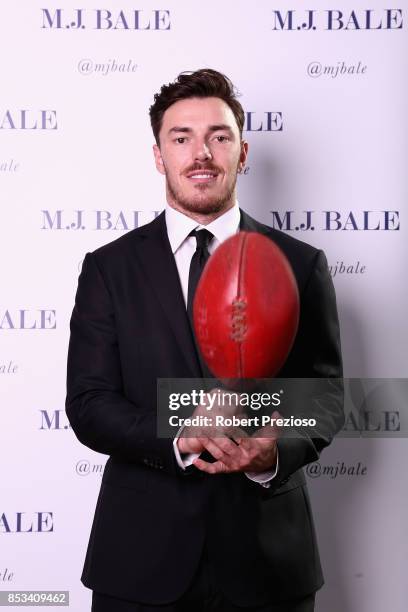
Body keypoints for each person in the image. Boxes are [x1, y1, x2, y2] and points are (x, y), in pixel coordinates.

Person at [65, 68, 343, 612]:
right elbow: (89, 404)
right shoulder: (108, 269)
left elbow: (326, 398)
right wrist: (182, 433)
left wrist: (272, 451)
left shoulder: (300, 264)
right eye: (181, 137)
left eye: (219, 136)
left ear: (243, 154)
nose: (201, 153)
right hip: (140, 563)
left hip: (269, 563)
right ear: (158, 154)